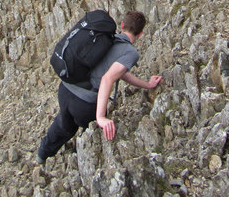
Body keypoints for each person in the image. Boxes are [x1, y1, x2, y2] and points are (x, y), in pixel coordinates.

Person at [37, 10, 162, 163]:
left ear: (122, 25)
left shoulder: (105, 38)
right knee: (90, 130)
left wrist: (147, 84)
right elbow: (108, 78)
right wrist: (101, 117)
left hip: (66, 89)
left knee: (64, 123)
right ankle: (79, 156)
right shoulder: (130, 52)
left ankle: (42, 155)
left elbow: (120, 74)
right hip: (84, 104)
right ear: (140, 34)